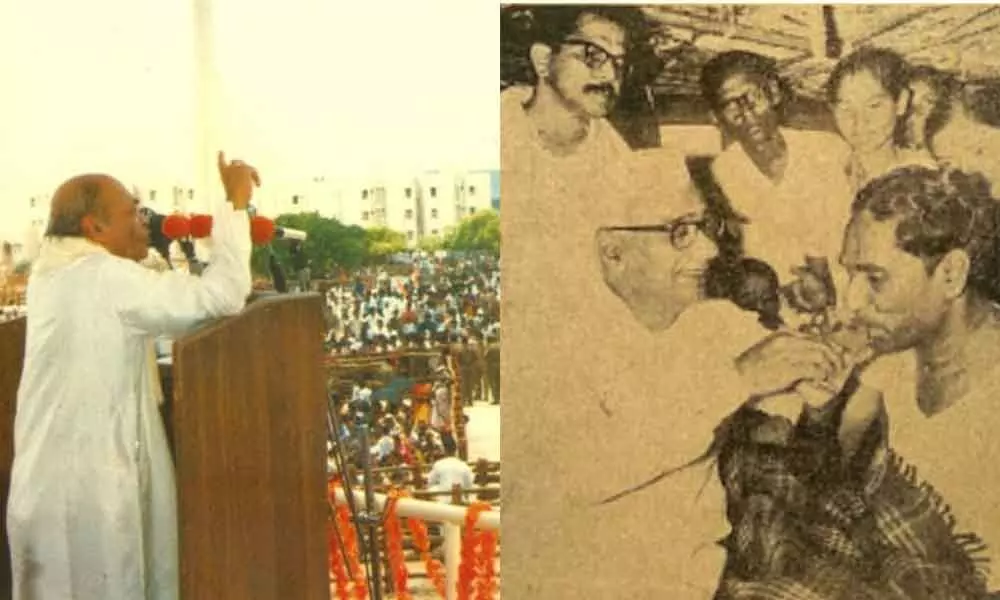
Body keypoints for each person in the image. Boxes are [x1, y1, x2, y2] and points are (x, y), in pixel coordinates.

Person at [6, 152, 259, 600]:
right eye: (132, 213)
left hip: (49, 492)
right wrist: (236, 205)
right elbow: (222, 297)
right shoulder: (105, 278)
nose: (144, 221)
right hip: (92, 499)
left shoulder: (54, 275)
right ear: (93, 228)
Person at [840, 165, 1000, 591]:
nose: (852, 302)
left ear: (951, 274)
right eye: (849, 275)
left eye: (874, 278)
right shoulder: (894, 359)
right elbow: (832, 469)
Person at [701, 50, 855, 286]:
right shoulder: (721, 175)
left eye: (753, 97)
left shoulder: (830, 150)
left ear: (773, 92)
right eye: (731, 106)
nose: (747, 113)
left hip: (849, 300)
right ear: (715, 117)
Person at [826, 46, 936, 191]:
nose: (860, 122)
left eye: (874, 106)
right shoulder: (826, 173)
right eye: (846, 109)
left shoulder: (925, 175)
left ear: (901, 102)